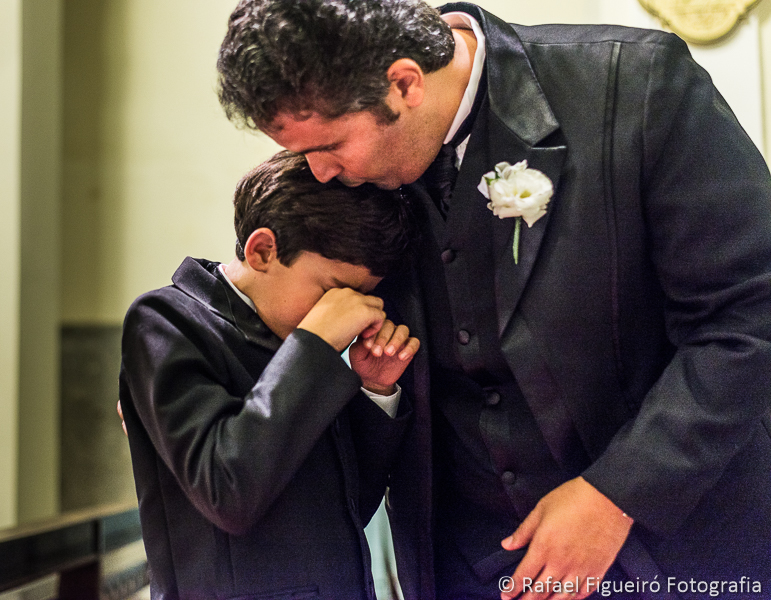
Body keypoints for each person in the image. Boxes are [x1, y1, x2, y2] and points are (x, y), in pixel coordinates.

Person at [216, 2, 771, 599]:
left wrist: (619, 493)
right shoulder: (342, 171)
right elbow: (275, 278)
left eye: (331, 145)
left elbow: (750, 314)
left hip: (678, 550)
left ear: (404, 84)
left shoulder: (637, 87)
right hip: (463, 566)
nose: (319, 173)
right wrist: (189, 358)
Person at [118, 150, 420, 600]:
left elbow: (345, 509)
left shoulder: (297, 339)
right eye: (334, 292)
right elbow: (227, 492)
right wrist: (315, 344)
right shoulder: (165, 320)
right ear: (263, 250)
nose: (349, 314)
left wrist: (375, 390)